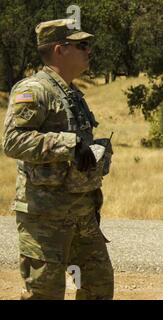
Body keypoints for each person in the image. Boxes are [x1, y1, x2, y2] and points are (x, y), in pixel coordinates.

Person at [2, 19, 114, 300]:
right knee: (44, 294)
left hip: (82, 214)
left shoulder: (73, 94)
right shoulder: (34, 90)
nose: (89, 51)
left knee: (98, 287)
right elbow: (12, 141)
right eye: (82, 45)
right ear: (59, 50)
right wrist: (69, 144)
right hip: (45, 217)